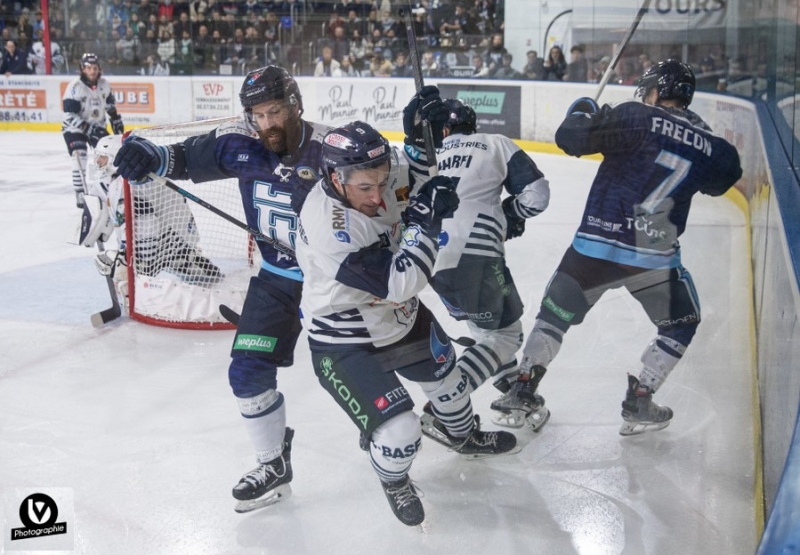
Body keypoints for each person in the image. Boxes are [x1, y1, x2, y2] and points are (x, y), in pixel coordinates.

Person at [113, 65, 329, 514]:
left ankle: (451, 418)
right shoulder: (241, 144)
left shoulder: (330, 148)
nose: (267, 123)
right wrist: (148, 155)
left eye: (275, 111)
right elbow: (178, 158)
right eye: (258, 115)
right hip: (278, 278)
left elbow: (392, 185)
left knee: (386, 358)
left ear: (295, 105)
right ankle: (272, 464)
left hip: (333, 283)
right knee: (246, 372)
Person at [491, 59, 743, 436]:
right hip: (652, 254)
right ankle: (641, 398)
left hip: (594, 245)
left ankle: (524, 386)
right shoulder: (713, 146)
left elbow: (571, 139)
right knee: (681, 323)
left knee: (553, 317)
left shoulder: (635, 116)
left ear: (657, 91)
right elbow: (722, 181)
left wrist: (583, 112)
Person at [295, 118, 518, 527]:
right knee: (401, 433)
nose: (377, 196)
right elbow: (401, 283)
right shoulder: (331, 229)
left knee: (451, 385)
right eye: (365, 187)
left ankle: (462, 435)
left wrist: (420, 134)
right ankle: (393, 478)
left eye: (382, 182)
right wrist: (425, 224)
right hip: (345, 336)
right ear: (335, 178)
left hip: (401, 318)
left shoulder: (378, 173)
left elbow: (417, 174)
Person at [425, 98, 550, 427]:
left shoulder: (428, 158)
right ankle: (445, 405)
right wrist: (510, 214)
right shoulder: (494, 143)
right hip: (476, 255)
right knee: (506, 337)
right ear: (473, 126)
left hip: (429, 260)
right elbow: (537, 196)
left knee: (488, 334)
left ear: (444, 131)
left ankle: (513, 394)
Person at [75, 134, 222, 293]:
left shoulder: (131, 185)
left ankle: (134, 288)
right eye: (98, 158)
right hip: (175, 241)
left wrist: (129, 260)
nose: (98, 163)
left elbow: (147, 224)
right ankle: (187, 263)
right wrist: (94, 228)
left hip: (168, 243)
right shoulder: (116, 182)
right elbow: (97, 213)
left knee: (118, 267)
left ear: (115, 159)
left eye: (103, 159)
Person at [62, 53, 125, 209]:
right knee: (79, 155)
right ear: (82, 69)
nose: (92, 71)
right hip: (75, 128)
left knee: (108, 156)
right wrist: (87, 128)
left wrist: (115, 119)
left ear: (99, 69)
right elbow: (69, 115)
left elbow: (110, 106)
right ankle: (80, 193)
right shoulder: (75, 87)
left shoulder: (104, 85)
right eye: (89, 68)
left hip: (97, 127)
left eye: (95, 68)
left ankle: (105, 189)